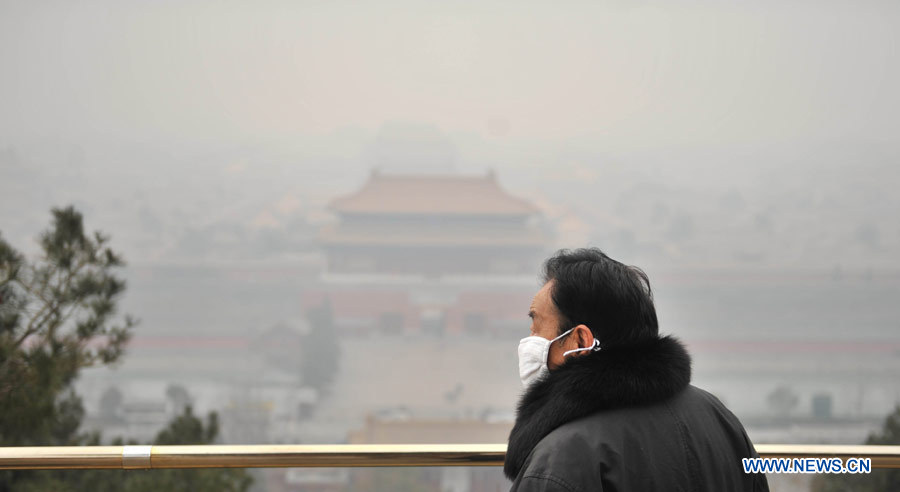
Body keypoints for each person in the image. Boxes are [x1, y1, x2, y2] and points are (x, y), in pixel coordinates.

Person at [505, 248, 769, 491]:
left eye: (537, 325)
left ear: (581, 341)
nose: (530, 339)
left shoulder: (559, 460)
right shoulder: (719, 418)